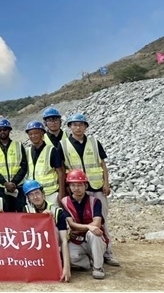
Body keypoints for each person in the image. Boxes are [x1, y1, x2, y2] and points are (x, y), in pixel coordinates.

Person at [59, 113, 119, 266]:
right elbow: (62, 168)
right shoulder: (63, 144)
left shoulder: (94, 142)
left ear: (85, 127)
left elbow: (102, 163)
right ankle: (87, 252)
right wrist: (66, 189)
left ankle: (107, 254)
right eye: (74, 125)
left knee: (102, 221)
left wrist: (106, 183)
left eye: (81, 124)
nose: (78, 127)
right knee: (78, 220)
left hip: (96, 186)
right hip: (77, 188)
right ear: (70, 127)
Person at [60, 170, 109, 279]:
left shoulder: (95, 201)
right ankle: (89, 262)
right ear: (69, 187)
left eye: (79, 185)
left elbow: (97, 223)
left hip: (93, 239)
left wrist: (86, 228)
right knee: (68, 257)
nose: (76, 188)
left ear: (86, 186)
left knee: (94, 233)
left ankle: (98, 267)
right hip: (77, 240)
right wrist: (88, 226)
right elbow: (71, 224)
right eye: (73, 185)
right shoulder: (65, 202)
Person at [23, 180, 71, 283]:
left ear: (43, 194)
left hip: (56, 247)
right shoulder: (26, 210)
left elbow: (64, 240)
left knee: (79, 261)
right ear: (28, 198)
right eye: (31, 195)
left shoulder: (57, 211)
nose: (35, 197)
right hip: (36, 249)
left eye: (37, 193)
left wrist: (67, 268)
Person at [0, 118, 28, 212]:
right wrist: (5, 183)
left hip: (17, 186)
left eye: (5, 129)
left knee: (21, 212)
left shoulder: (18, 145)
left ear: (9, 130)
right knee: (4, 213)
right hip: (0, 188)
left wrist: (14, 183)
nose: (2, 132)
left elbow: (24, 166)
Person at [24, 121, 65, 205]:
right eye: (30, 134)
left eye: (36, 133)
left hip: (50, 193)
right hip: (33, 194)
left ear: (42, 133)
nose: (33, 136)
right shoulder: (28, 151)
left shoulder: (51, 150)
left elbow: (60, 172)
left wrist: (61, 193)